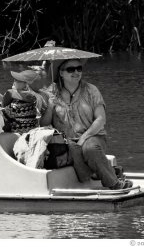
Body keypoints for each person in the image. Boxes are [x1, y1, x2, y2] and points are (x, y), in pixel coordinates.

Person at [40, 59, 133, 190]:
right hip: (66, 141)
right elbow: (43, 124)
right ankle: (109, 170)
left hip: (93, 136)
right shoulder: (50, 92)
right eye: (71, 69)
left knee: (89, 148)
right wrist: (50, 105)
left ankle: (114, 183)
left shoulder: (91, 90)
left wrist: (84, 138)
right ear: (61, 73)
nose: (76, 72)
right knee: (82, 170)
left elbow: (101, 120)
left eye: (79, 68)